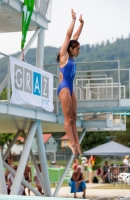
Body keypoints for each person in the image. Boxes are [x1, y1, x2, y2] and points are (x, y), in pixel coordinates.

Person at [56, 9, 84, 156]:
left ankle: (76, 141)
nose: (78, 51)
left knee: (74, 116)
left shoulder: (72, 57)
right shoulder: (64, 56)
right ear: (71, 49)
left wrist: (82, 24)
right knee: (68, 118)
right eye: (77, 49)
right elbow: (68, 36)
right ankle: (72, 144)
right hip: (64, 89)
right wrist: (73, 20)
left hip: (71, 88)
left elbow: (75, 36)